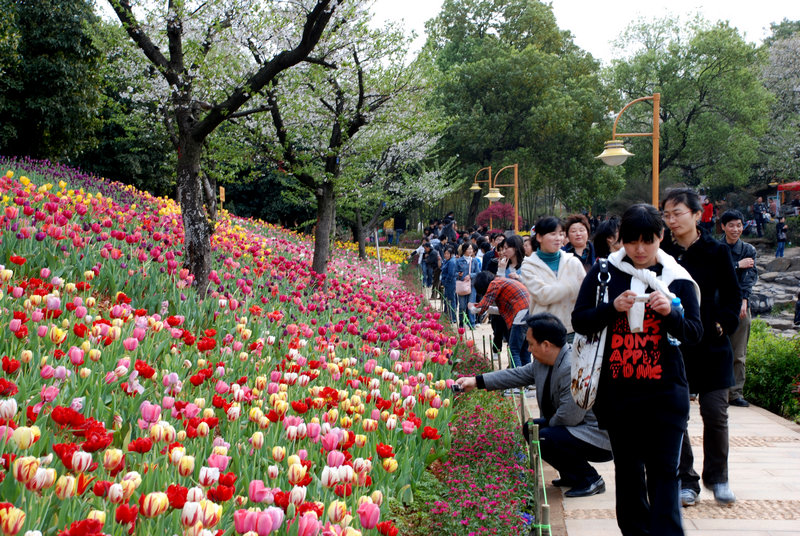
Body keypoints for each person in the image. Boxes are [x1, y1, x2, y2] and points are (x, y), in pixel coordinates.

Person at [572, 203, 703, 536]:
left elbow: (694, 334)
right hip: (619, 397)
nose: (640, 250)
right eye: (631, 241)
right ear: (620, 240)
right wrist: (612, 308)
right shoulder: (604, 273)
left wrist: (671, 314)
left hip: (666, 395)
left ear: (661, 236)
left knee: (665, 475)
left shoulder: (676, 279)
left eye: (648, 240)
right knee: (629, 475)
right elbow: (579, 322)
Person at [456, 313, 613, 497]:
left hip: (597, 436)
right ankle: (572, 475)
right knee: (531, 429)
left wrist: (544, 432)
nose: (528, 349)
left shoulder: (572, 368)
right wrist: (476, 381)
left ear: (546, 345)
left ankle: (590, 479)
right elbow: (516, 375)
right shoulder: (544, 362)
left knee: (544, 437)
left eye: (531, 344)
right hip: (574, 428)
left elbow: (569, 417)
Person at [661, 188, 741, 507]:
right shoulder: (663, 252)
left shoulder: (716, 251)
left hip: (712, 343)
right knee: (677, 415)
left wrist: (723, 324)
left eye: (677, 213)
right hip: (675, 344)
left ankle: (718, 478)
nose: (671, 220)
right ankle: (686, 480)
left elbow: (733, 296)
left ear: (697, 214)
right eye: (666, 215)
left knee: (715, 412)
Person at [519, 217, 585, 337]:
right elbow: (542, 295)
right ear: (539, 237)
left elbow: (585, 293)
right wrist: (572, 286)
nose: (558, 238)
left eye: (561, 234)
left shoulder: (573, 262)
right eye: (553, 234)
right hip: (543, 331)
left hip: (571, 330)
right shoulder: (529, 266)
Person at [720, 210, 757, 408]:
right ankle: (712, 389)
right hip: (717, 306)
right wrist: (736, 265)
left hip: (740, 305)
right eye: (732, 225)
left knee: (739, 352)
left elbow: (749, 278)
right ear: (723, 226)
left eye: (739, 225)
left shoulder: (749, 249)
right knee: (714, 347)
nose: (736, 229)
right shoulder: (716, 248)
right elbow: (715, 276)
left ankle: (735, 394)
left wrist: (744, 300)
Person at [468, 271, 531, 367]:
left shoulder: (494, 283)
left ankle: (518, 380)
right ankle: (528, 379)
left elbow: (482, 306)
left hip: (521, 315)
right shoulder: (503, 282)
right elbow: (500, 310)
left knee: (514, 351)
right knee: (525, 352)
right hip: (531, 314)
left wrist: (472, 308)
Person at [455, 242, 481, 328]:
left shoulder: (474, 261)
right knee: (462, 305)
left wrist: (471, 275)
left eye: (471, 249)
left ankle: (472, 323)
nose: (470, 251)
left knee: (471, 305)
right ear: (464, 250)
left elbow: (478, 273)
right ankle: (461, 323)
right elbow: (454, 273)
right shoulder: (458, 261)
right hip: (462, 285)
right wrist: (459, 275)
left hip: (472, 285)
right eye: (468, 249)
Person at [440, 246, 458, 323]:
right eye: (445, 253)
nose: (446, 255)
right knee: (447, 299)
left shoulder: (451, 262)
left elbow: (451, 274)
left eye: (448, 253)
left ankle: (452, 317)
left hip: (450, 283)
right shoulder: (446, 261)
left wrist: (445, 282)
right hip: (447, 282)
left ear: (451, 254)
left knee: (451, 300)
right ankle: (447, 315)